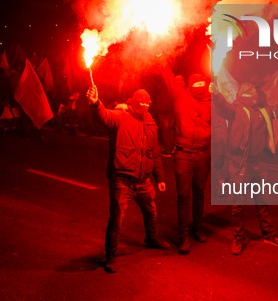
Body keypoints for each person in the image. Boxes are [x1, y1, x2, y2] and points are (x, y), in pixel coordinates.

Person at [212, 81, 278, 255]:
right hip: (240, 164)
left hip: (258, 164)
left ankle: (269, 235)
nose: (257, 97)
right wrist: (217, 94)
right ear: (246, 97)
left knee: (262, 202)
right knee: (238, 204)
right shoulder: (236, 110)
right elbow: (223, 106)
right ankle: (238, 238)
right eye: (254, 95)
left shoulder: (263, 111)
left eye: (257, 94)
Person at [87, 85, 170, 274]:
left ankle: (152, 238)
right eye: (141, 103)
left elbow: (154, 152)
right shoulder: (121, 116)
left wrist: (160, 178)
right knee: (116, 219)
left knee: (151, 212)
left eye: (147, 104)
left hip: (143, 181)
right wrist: (95, 103)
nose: (145, 107)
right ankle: (111, 254)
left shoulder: (150, 122)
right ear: (132, 103)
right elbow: (104, 116)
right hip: (122, 181)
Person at [159, 64, 211, 255]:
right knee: (183, 196)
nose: (199, 86)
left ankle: (196, 228)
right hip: (183, 154)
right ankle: (183, 236)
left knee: (199, 193)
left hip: (203, 154)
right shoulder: (181, 95)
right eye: (196, 83)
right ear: (190, 86)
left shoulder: (212, 100)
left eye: (202, 83)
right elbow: (168, 76)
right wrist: (161, 58)